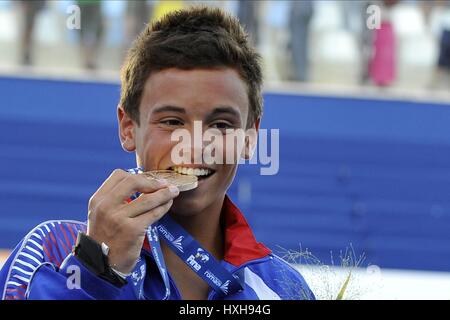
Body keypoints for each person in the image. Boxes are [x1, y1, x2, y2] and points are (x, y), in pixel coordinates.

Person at [0, 6, 314, 300]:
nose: (194, 144)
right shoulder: (52, 249)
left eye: (220, 124)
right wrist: (93, 271)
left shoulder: (282, 288)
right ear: (128, 128)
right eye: (172, 121)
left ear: (250, 138)